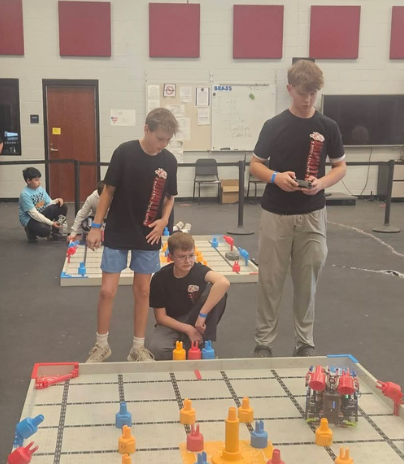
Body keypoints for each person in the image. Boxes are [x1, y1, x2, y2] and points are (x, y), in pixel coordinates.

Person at [249, 60, 347, 358]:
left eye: (313, 94)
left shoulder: (328, 126)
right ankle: (264, 342)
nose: (307, 100)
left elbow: (340, 167)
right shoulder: (273, 126)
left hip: (312, 214)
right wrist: (277, 178)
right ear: (290, 89)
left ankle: (305, 341)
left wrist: (322, 183)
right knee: (270, 279)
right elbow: (255, 165)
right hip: (276, 214)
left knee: (308, 280)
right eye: (303, 93)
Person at [85, 108, 179, 363]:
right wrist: (96, 226)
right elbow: (108, 191)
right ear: (146, 129)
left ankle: (137, 348)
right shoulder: (124, 152)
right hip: (118, 229)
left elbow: (170, 197)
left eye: (168, 140)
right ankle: (101, 345)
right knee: (107, 291)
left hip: (148, 235)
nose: (163, 144)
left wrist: (162, 222)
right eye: (160, 138)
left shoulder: (169, 160)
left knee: (143, 292)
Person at [146, 232, 229, 360]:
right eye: (182, 257)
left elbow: (223, 283)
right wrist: (188, 330)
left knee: (217, 291)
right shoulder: (160, 278)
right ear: (171, 257)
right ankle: (190, 343)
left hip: (196, 318)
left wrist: (202, 316)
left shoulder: (199, 270)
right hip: (172, 322)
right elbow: (160, 317)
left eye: (191, 256)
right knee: (156, 349)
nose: (188, 261)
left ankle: (203, 341)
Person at [18, 167, 68, 242]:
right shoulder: (25, 194)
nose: (39, 182)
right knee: (45, 231)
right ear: (28, 181)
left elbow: (49, 203)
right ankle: (30, 230)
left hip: (41, 212)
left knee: (62, 206)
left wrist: (57, 200)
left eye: (39, 179)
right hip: (30, 219)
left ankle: (55, 232)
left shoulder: (40, 189)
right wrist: (51, 223)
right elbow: (34, 214)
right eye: (36, 180)